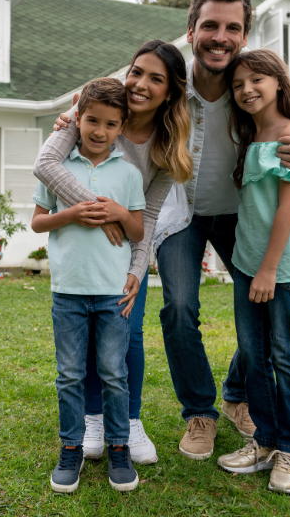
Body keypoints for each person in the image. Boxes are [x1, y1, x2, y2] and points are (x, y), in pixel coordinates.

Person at [49, 0, 290, 461]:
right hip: (181, 219)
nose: (220, 36)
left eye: (232, 28)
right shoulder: (170, 87)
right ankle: (200, 412)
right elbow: (112, 101)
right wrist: (72, 119)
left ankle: (238, 394)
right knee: (179, 309)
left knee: (257, 316)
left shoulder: (253, 91)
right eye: (210, 26)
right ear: (191, 30)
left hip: (242, 220)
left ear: (244, 35)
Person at [34, 40, 193, 464]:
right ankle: (91, 419)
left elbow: (151, 216)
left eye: (155, 78)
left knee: (131, 330)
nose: (139, 83)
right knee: (83, 340)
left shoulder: (166, 144)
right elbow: (46, 166)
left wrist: (138, 272)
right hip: (91, 247)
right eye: (137, 71)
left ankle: (130, 420)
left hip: (130, 246)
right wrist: (101, 212)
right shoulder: (90, 111)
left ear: (171, 91)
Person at [32, 77, 146, 493]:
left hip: (113, 292)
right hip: (68, 291)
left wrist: (117, 211)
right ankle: (71, 448)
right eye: (92, 120)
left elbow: (137, 231)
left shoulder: (129, 174)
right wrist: (71, 215)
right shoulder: (59, 170)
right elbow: (38, 221)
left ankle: (119, 448)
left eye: (111, 124)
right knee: (69, 375)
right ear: (77, 119)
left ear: (121, 127)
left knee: (114, 373)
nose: (100, 131)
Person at [215, 49, 290, 494]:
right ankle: (264, 441)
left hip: (282, 269)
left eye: (256, 80)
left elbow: (289, 206)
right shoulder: (252, 133)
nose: (246, 90)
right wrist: (252, 268)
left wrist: (269, 270)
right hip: (247, 263)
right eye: (238, 85)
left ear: (278, 81)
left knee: (284, 355)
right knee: (252, 354)